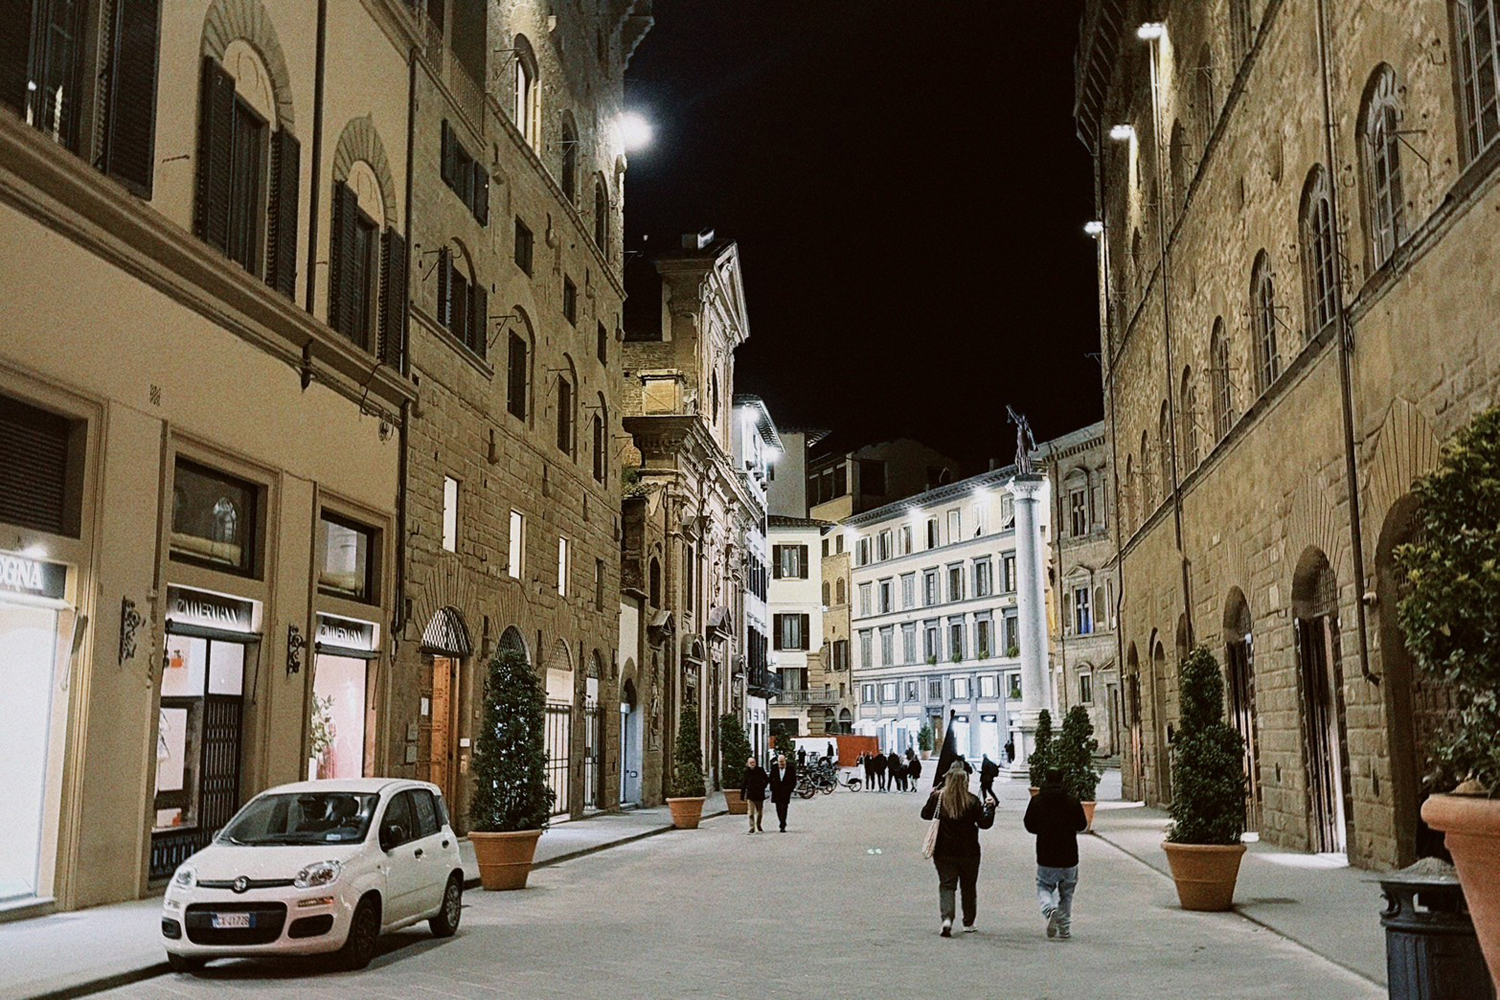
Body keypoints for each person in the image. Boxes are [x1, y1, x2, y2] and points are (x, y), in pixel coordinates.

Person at [921, 763, 997, 936]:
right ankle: (968, 922)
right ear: (966, 782)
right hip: (969, 851)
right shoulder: (972, 801)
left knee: (947, 885)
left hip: (943, 851)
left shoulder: (939, 797)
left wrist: (931, 795)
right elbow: (985, 824)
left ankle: (947, 919)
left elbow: (925, 814)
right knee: (968, 886)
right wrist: (990, 808)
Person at [1023, 767, 1088, 940]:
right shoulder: (1072, 801)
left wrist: (1042, 829)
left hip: (1046, 853)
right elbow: (1082, 824)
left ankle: (1049, 909)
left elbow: (1029, 824)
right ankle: (1064, 929)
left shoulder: (1037, 801)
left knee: (1044, 886)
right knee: (1067, 893)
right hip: (1069, 855)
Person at [767, 754, 797, 832]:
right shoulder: (774, 768)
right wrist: (772, 787)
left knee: (784, 807)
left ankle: (782, 825)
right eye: (780, 762)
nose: (781, 764)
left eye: (782, 762)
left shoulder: (790, 769)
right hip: (776, 791)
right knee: (778, 808)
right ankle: (781, 821)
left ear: (785, 761)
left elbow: (793, 780)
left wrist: (790, 789)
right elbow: (770, 779)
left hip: (785, 792)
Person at [741, 756, 769, 834]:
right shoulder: (746, 772)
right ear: (748, 764)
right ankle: (752, 827)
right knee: (750, 812)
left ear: (755, 763)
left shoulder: (760, 770)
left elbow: (766, 779)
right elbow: (743, 783)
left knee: (759, 812)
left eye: (753, 762)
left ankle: (758, 825)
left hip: (759, 795)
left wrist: (763, 786)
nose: (752, 764)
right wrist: (742, 795)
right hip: (750, 795)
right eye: (750, 763)